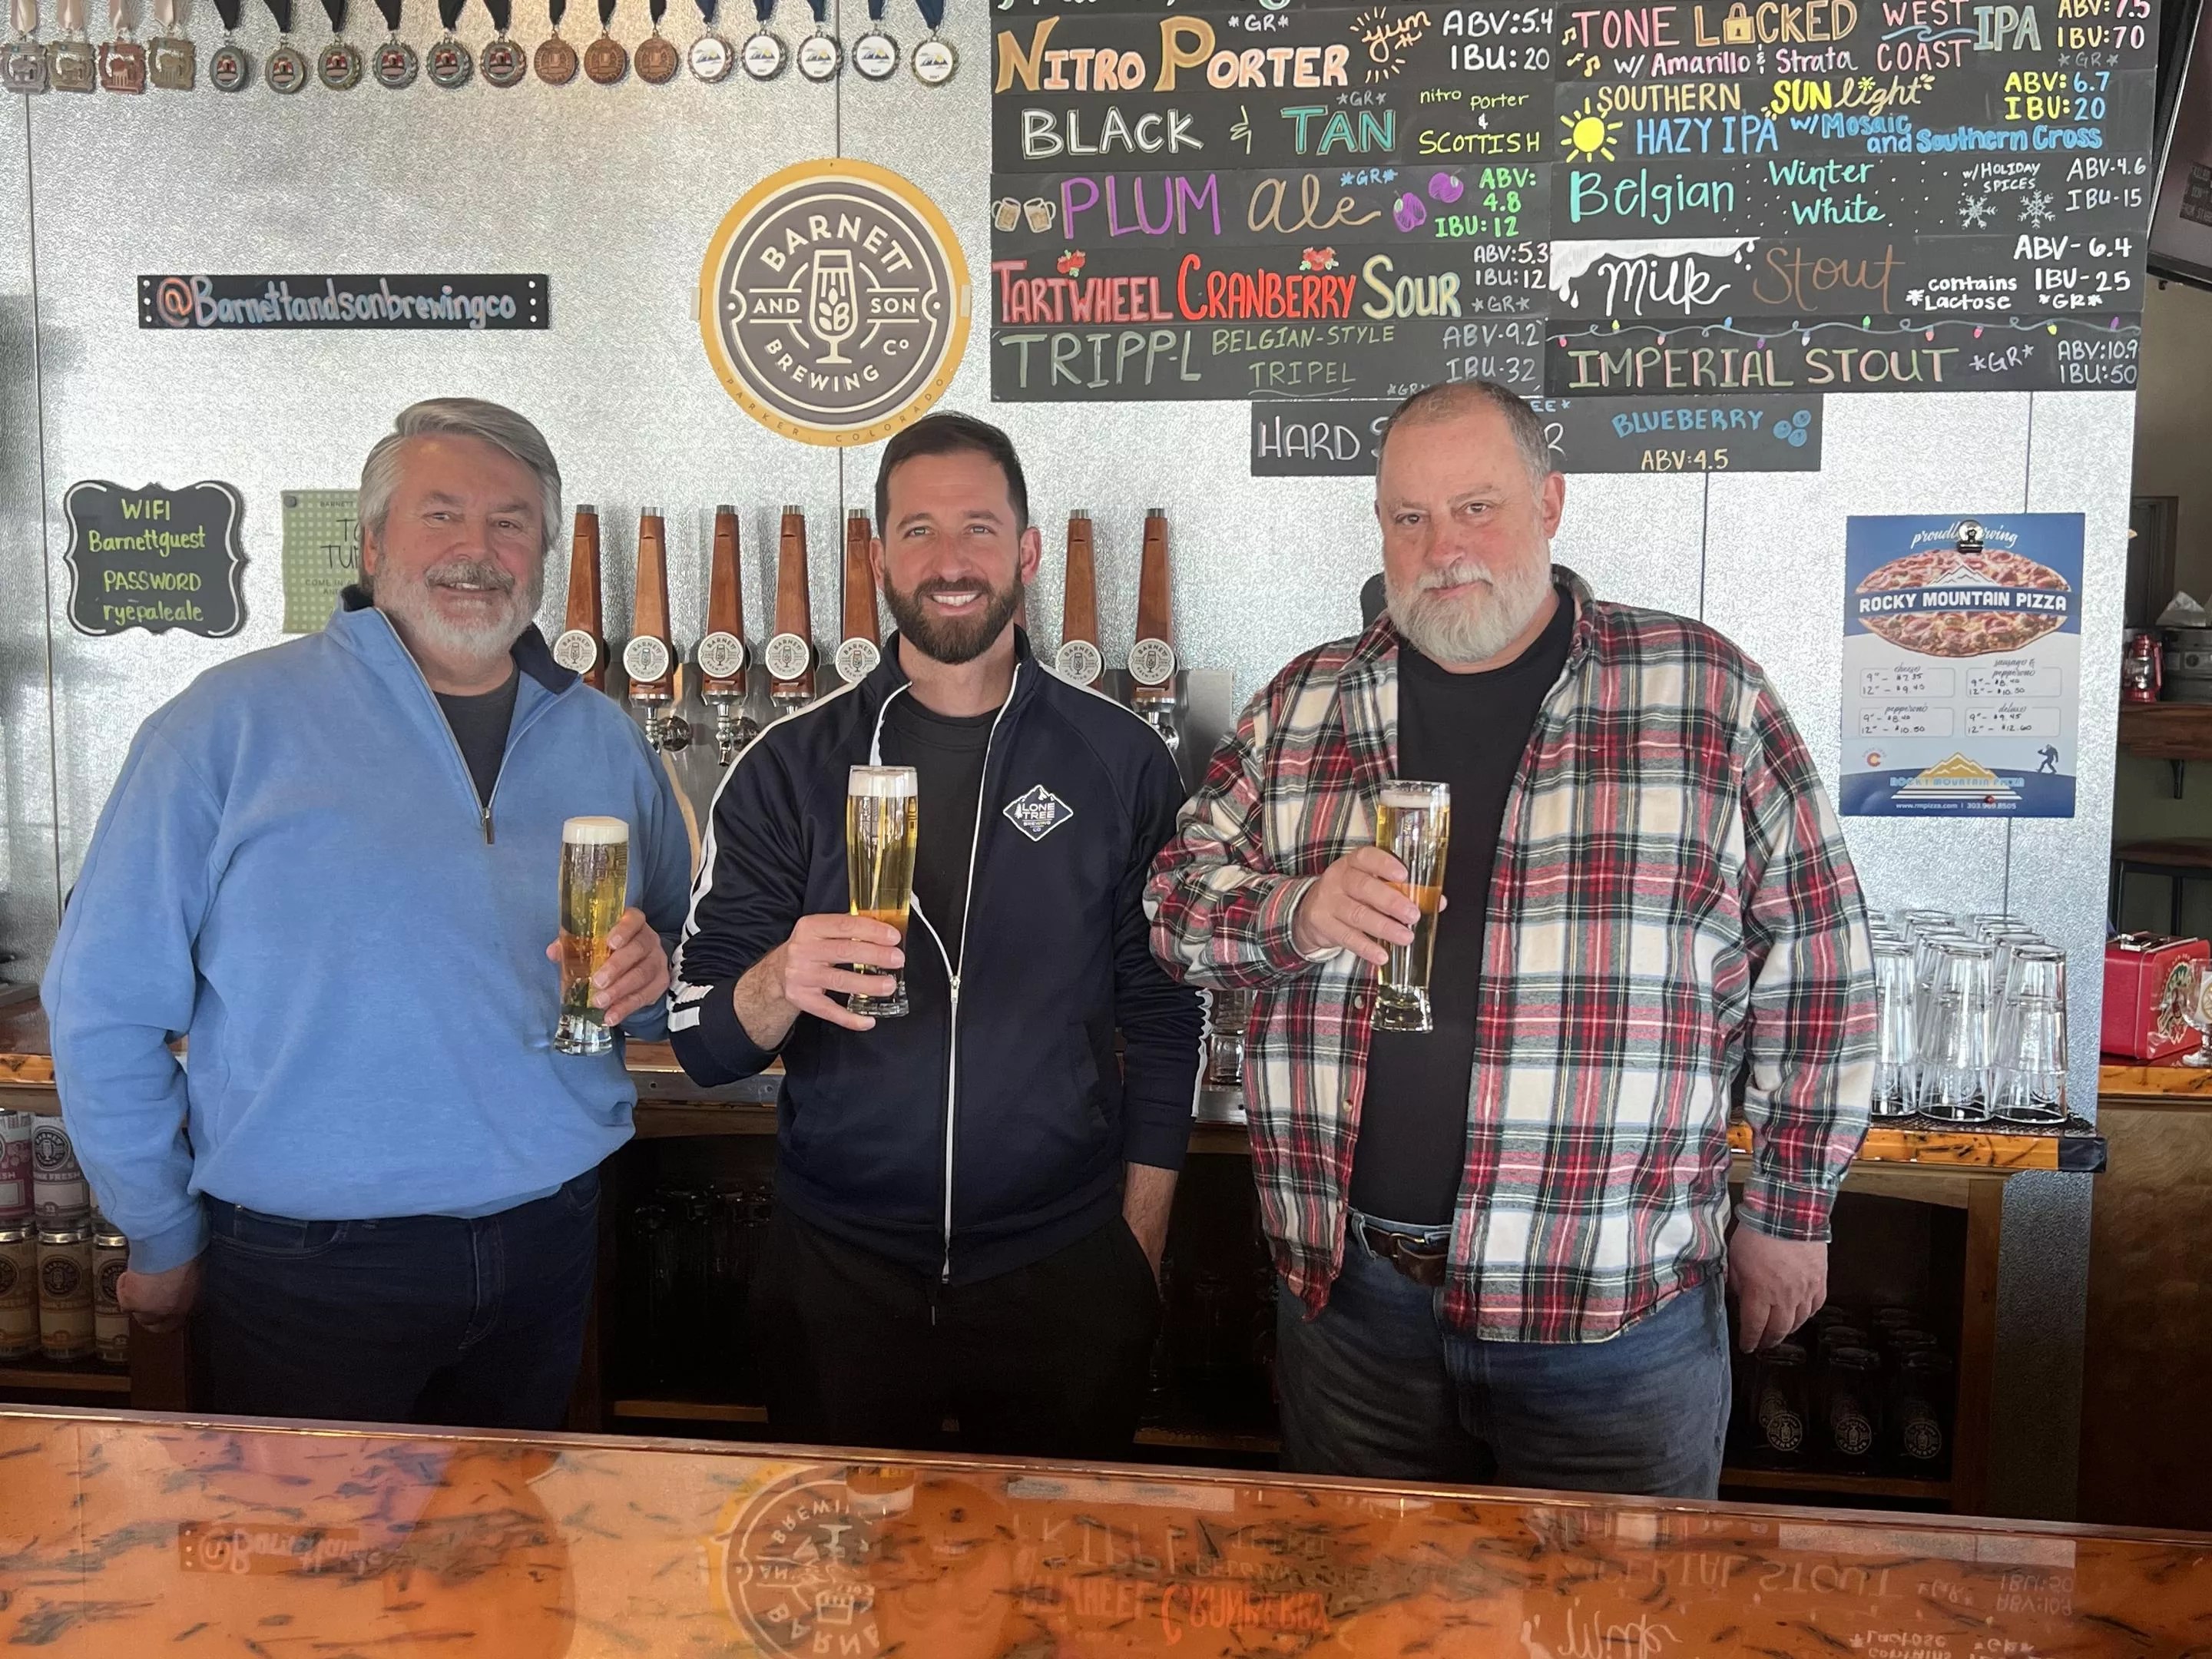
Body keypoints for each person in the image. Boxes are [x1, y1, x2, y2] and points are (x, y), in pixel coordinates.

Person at [1147, 380, 1876, 1497]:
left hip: (1613, 1316)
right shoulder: (1303, 705)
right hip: (1355, 1304)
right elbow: (1173, 907)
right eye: (1410, 517)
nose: (1443, 548)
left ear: (1550, 503)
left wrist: (1789, 1213)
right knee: (1363, 1594)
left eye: (1475, 508)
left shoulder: (1704, 693)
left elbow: (1820, 965)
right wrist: (1297, 912)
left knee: (1615, 1598)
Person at [45, 398, 691, 1430]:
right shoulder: (226, 724)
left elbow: (663, 972)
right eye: (441, 515)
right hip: (306, 1268)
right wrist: (158, 1230)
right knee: (310, 1539)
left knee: (518, 1532)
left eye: (511, 522)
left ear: (543, 554)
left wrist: (652, 984)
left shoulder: (604, 737)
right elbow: (102, 1004)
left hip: (551, 1236)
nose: (477, 549)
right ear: (373, 543)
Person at [669, 411, 1203, 1459]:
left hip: (1063, 1269)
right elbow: (701, 1045)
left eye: (978, 529)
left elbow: (1163, 1016)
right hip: (837, 1274)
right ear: (879, 557)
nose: (950, 561)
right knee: (837, 1560)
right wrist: (779, 978)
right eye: (918, 530)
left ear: (1028, 551)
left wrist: (1135, 1249)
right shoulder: (787, 765)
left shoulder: (1120, 759)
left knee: (1053, 1562)